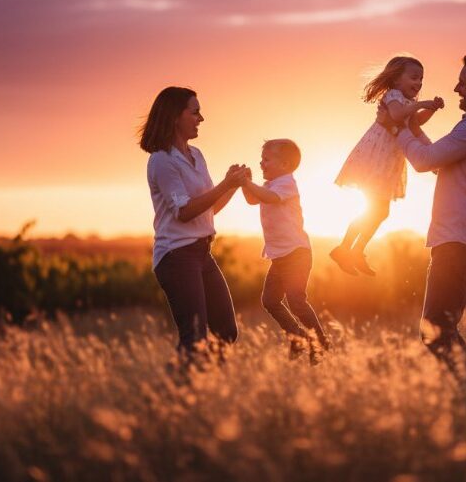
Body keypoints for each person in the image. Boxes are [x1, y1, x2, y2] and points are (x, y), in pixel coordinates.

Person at [395, 55, 466, 391]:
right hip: (463, 240)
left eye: (464, 81)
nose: (457, 87)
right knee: (439, 331)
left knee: (436, 332)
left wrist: (396, 128)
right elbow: (436, 161)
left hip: (460, 242)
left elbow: (422, 162)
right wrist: (412, 129)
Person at [139, 86, 250, 364]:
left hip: (201, 254)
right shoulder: (161, 161)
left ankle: (203, 387)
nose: (201, 118)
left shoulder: (197, 155)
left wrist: (233, 186)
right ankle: (174, 393)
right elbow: (185, 212)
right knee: (195, 337)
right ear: (176, 116)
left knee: (225, 331)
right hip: (176, 257)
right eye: (195, 112)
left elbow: (208, 210)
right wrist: (226, 183)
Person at [332, 56, 444, 276]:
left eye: (421, 79)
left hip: (388, 163)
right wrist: (420, 104)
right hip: (376, 159)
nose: (419, 83)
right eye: (413, 77)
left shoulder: (406, 103)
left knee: (380, 211)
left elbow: (415, 125)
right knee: (376, 209)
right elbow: (396, 115)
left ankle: (352, 250)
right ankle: (346, 249)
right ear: (396, 79)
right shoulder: (393, 96)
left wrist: (431, 110)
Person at [242, 139, 331, 364]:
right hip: (280, 257)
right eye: (261, 159)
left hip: (296, 254)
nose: (261, 163)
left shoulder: (286, 183)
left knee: (296, 301)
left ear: (284, 164)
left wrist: (246, 182)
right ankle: (297, 336)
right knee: (270, 300)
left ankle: (319, 342)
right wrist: (244, 182)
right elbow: (254, 199)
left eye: (266, 159)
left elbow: (268, 198)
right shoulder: (270, 184)